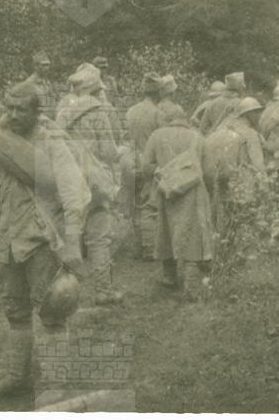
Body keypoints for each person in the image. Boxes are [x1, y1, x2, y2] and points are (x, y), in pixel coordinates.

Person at [0, 81, 90, 397]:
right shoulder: (3, 143)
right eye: (8, 108)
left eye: (20, 109)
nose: (12, 115)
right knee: (15, 311)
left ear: (37, 111)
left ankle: (54, 385)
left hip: (42, 241)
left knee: (53, 311)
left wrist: (72, 241)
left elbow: (73, 195)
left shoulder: (52, 143)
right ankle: (16, 378)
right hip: (9, 238)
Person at [56, 63, 123, 305]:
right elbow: (108, 152)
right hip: (92, 178)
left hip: (66, 177)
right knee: (99, 234)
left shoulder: (61, 111)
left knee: (68, 234)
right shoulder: (98, 112)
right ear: (96, 89)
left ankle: (62, 293)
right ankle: (103, 290)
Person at [142, 114, 213, 298]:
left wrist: (163, 175)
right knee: (192, 233)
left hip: (166, 190)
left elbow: (146, 166)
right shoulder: (198, 138)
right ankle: (191, 283)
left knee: (165, 230)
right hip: (193, 192)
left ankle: (169, 276)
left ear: (169, 120)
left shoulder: (157, 135)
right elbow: (208, 171)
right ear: (186, 121)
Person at [203, 97, 267, 230]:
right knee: (244, 222)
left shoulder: (220, 129)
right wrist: (265, 188)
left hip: (217, 182)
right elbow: (258, 164)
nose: (259, 115)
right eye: (256, 112)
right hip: (240, 187)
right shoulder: (250, 133)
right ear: (247, 114)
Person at [125, 72, 163, 259]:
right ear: (158, 92)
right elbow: (160, 141)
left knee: (135, 204)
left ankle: (138, 245)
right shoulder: (157, 113)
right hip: (149, 162)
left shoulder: (131, 111)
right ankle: (148, 247)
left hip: (132, 159)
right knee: (149, 205)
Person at [25, 51, 57, 118]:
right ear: (36, 66)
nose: (46, 68)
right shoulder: (29, 83)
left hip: (49, 119)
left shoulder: (47, 82)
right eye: (43, 65)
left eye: (48, 65)